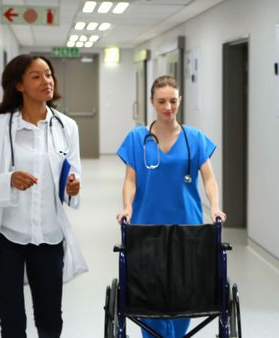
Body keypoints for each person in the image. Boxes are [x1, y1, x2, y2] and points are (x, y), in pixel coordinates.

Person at [0, 54, 87, 337]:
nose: (47, 81)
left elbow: (74, 173)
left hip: (49, 236)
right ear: (18, 85)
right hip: (9, 238)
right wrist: (8, 180)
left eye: (49, 75)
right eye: (36, 76)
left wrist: (73, 187)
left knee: (50, 321)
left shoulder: (67, 127)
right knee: (12, 322)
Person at [115, 75, 226, 338]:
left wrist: (215, 207)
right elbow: (130, 179)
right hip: (146, 225)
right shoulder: (137, 137)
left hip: (187, 226)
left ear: (180, 101)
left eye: (173, 101)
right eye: (162, 101)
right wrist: (127, 207)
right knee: (149, 295)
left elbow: (209, 178)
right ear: (152, 102)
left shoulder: (195, 138)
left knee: (183, 294)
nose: (168, 107)